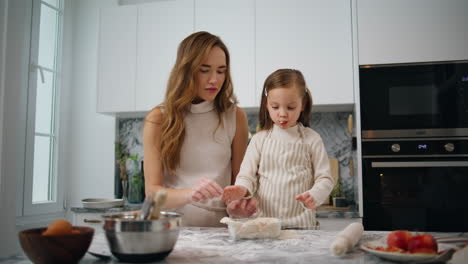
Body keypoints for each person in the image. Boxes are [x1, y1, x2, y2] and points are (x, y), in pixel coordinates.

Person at [143, 31, 249, 227]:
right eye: (204, 69)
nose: (214, 80)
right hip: (173, 232)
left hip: (222, 233)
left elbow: (240, 182)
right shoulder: (158, 119)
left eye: (221, 70)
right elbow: (152, 193)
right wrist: (190, 194)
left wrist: (239, 203)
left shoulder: (235, 116)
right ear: (186, 70)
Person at [222, 69, 335, 229]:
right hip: (265, 227)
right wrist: (242, 188)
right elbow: (247, 175)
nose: (282, 114)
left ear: (302, 105)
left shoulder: (312, 139)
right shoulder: (259, 139)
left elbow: (325, 179)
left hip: (302, 228)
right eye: (275, 107)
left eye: (290, 107)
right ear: (266, 105)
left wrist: (315, 195)